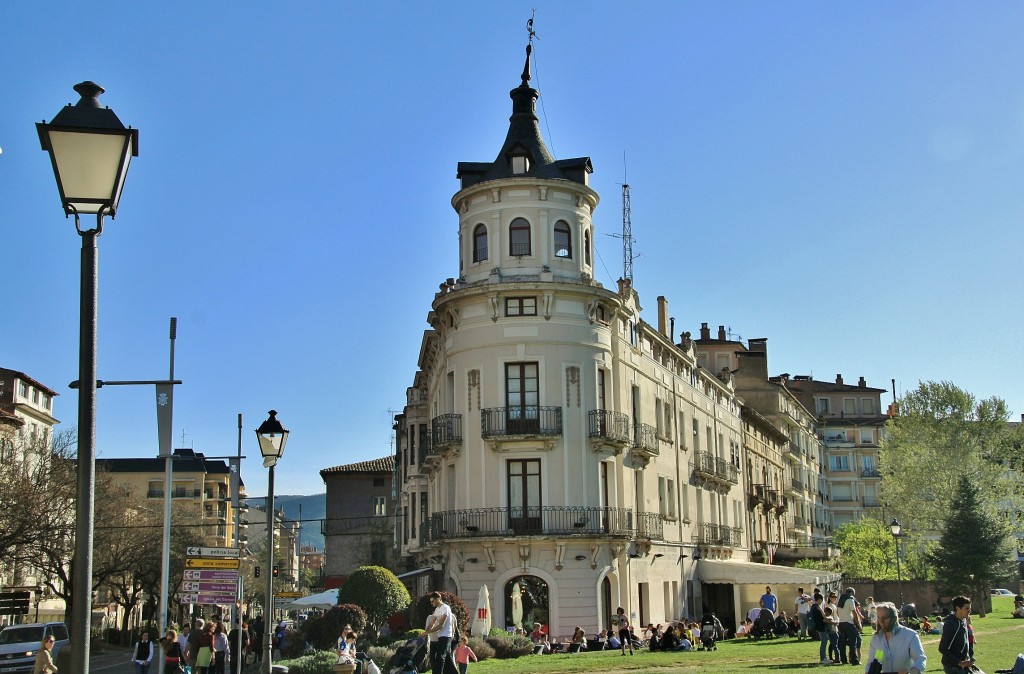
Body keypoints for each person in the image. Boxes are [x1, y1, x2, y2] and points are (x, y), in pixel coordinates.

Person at [864, 601, 926, 674]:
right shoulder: (877, 639)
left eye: (884, 618)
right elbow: (872, 662)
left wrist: (912, 672)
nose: (881, 621)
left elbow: (920, 659)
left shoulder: (910, 635)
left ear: (893, 618)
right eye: (878, 617)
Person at [423, 591, 459, 674]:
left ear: (438, 599)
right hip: (441, 636)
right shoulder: (437, 610)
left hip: (446, 636)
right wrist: (425, 632)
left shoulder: (445, 608)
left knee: (440, 658)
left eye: (433, 601)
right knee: (447, 659)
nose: (431, 603)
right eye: (431, 602)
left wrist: (427, 632)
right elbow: (431, 623)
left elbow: (440, 625)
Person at [938, 596, 974, 674]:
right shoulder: (951, 624)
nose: (969, 611)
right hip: (953, 667)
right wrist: (959, 662)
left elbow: (966, 641)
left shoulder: (963, 621)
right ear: (958, 608)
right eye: (966, 608)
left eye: (970, 608)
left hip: (963, 665)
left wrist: (970, 657)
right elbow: (942, 648)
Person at [837, 587, 861, 665]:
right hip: (848, 622)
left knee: (842, 643)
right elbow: (854, 613)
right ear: (852, 593)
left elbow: (838, 612)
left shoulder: (840, 600)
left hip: (841, 623)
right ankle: (854, 660)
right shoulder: (850, 600)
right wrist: (858, 624)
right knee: (852, 642)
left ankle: (843, 660)